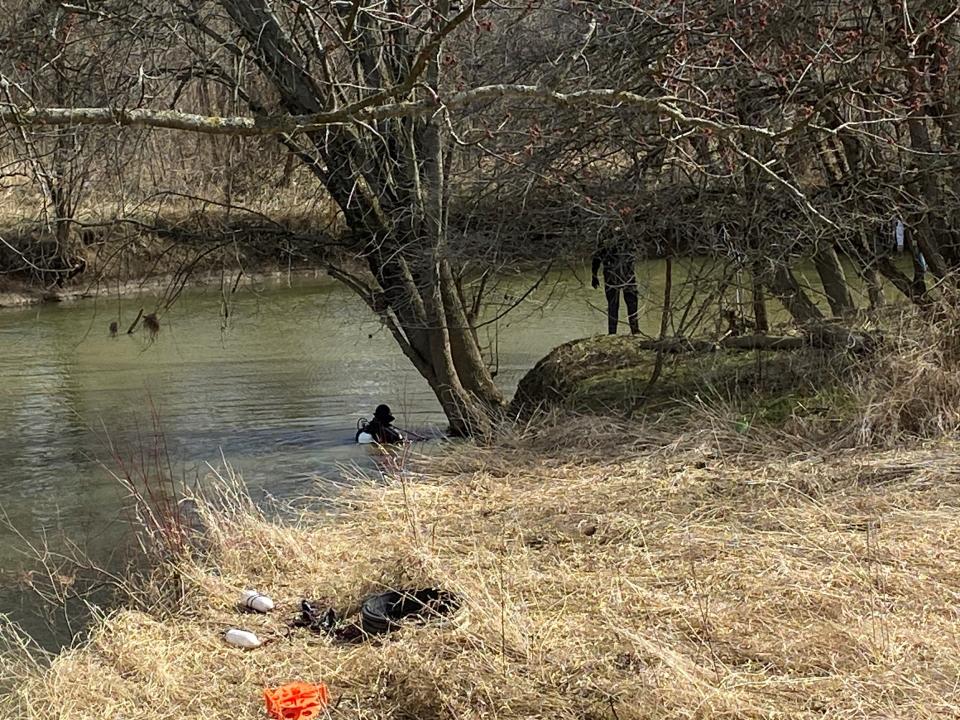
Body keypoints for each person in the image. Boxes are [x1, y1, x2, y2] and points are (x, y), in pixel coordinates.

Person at [591, 233, 640, 335]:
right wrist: (594, 275)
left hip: (613, 275)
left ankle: (613, 334)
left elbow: (596, 257)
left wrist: (594, 275)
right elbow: (597, 257)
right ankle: (634, 332)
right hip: (626, 275)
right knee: (630, 304)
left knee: (615, 306)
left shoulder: (605, 237)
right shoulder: (628, 234)